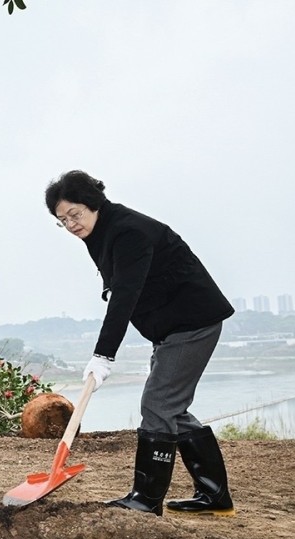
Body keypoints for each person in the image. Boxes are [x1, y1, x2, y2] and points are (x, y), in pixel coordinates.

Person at [45, 170, 235, 516]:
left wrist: (103, 355)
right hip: (170, 326)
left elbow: (125, 295)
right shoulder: (100, 230)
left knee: (158, 404)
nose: (71, 224)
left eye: (75, 214)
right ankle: (214, 494)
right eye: (63, 220)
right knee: (170, 408)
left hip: (192, 322)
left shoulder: (128, 231)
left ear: (93, 203)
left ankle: (146, 499)